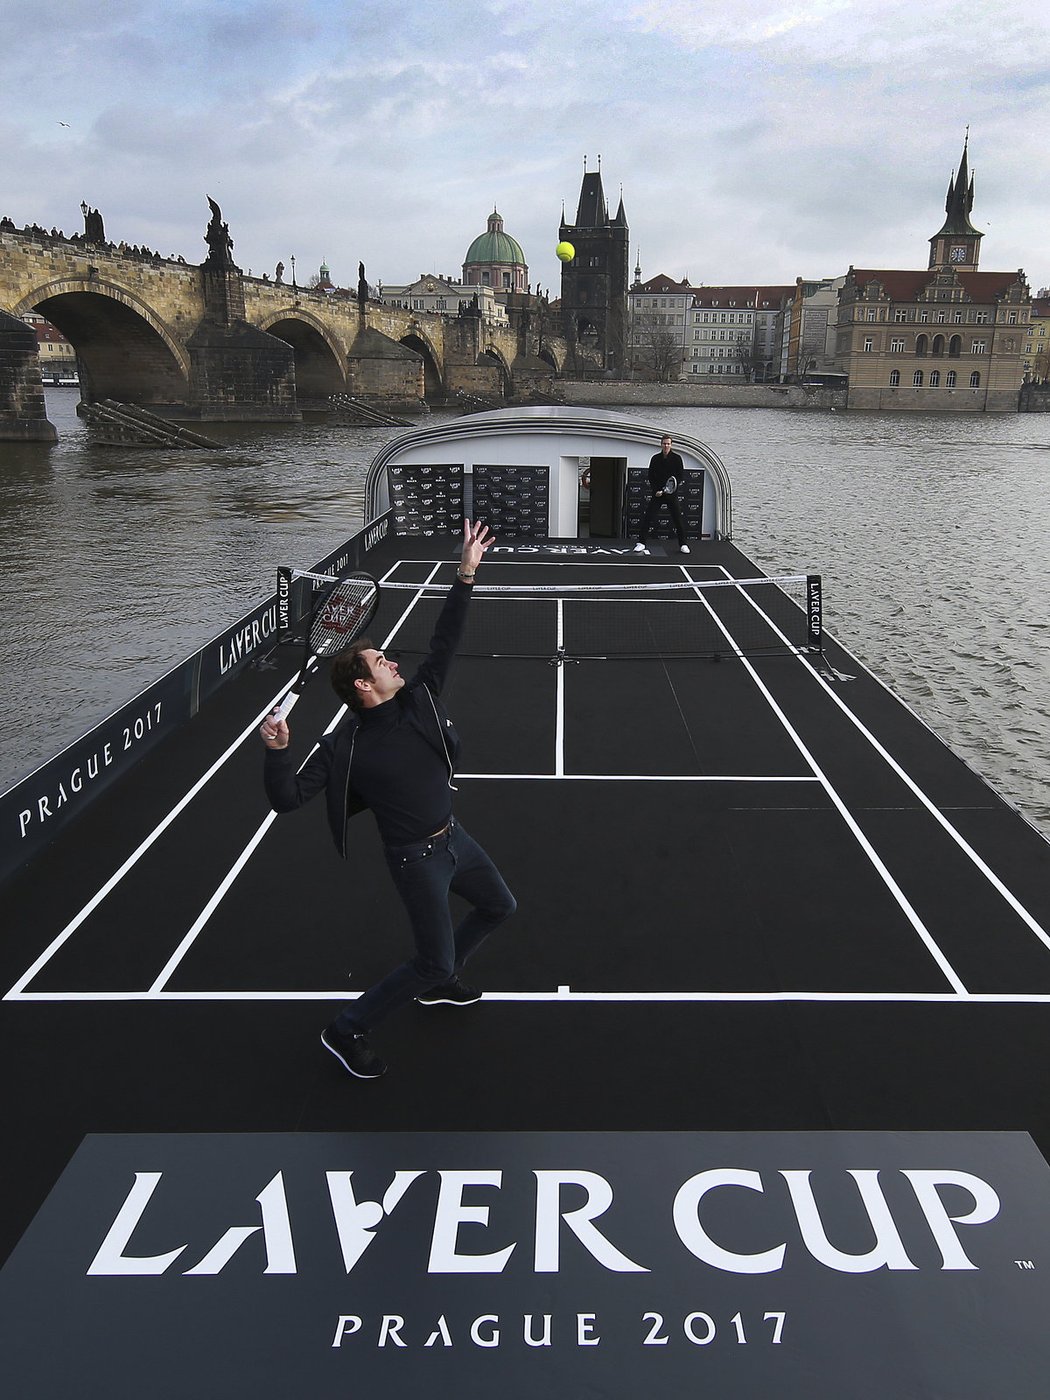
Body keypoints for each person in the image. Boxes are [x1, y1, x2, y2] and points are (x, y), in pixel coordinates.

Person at [260, 520, 516, 1080]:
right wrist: (279, 751)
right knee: (430, 959)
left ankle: (442, 984)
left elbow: (446, 639)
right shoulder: (341, 748)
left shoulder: (419, 700)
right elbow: (286, 800)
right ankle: (346, 1028)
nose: (395, 663)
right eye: (383, 662)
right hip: (415, 860)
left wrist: (466, 573)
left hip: (456, 838)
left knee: (499, 907)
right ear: (362, 685)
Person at [633, 433, 690, 555]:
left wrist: (669, 489)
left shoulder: (677, 458)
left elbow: (679, 477)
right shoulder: (655, 459)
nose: (666, 446)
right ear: (661, 444)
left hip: (671, 494)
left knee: (678, 519)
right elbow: (651, 476)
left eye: (668, 444)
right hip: (657, 494)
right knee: (648, 517)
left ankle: (683, 544)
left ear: (671, 445)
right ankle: (641, 543)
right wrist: (657, 490)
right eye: (664, 444)